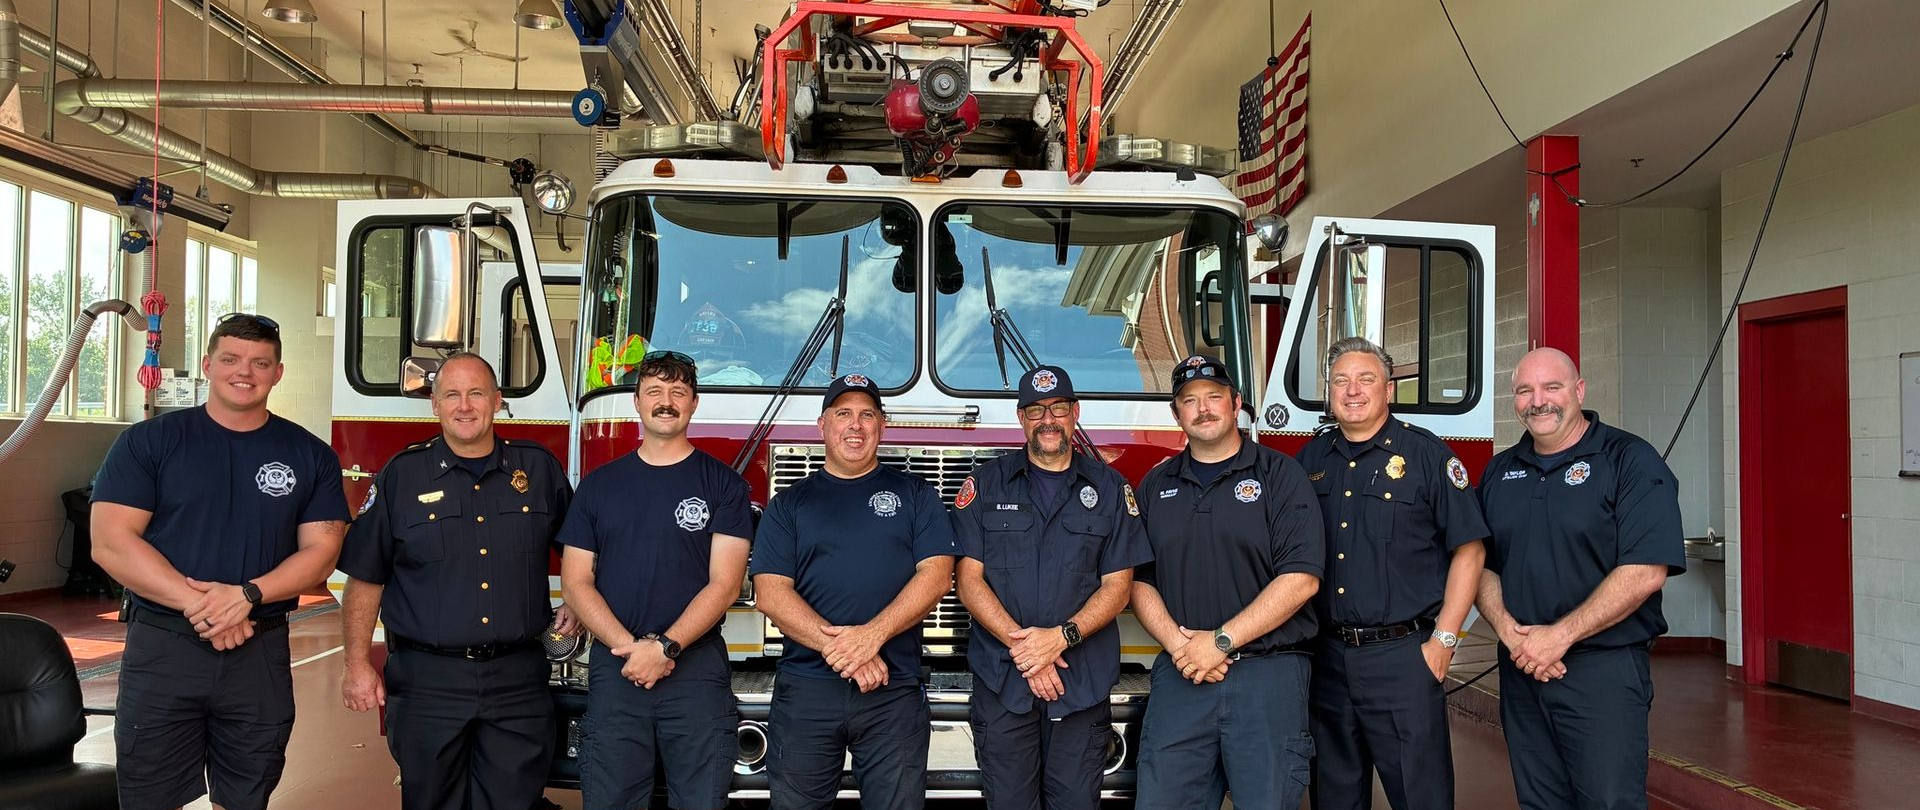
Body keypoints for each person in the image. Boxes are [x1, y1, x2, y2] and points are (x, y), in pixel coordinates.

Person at [90, 312, 349, 810]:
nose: (244, 372)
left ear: (278, 373)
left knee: (247, 793)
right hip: (164, 646)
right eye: (230, 359)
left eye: (260, 363)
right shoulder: (149, 442)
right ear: (208, 365)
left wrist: (247, 596)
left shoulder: (310, 454)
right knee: (150, 794)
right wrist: (208, 608)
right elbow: (112, 542)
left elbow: (321, 553)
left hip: (259, 650)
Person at [335, 352, 575, 810]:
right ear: (435, 404)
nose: (464, 406)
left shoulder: (538, 470)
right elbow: (366, 578)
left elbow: (581, 550)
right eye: (451, 395)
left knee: (515, 802)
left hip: (517, 680)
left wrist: (579, 602)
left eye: (476, 393)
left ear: (498, 401)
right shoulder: (402, 475)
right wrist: (356, 663)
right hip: (428, 681)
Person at [1475, 348, 1686, 810]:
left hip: (1601, 670)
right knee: (1539, 802)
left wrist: (1559, 637)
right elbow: (1481, 563)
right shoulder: (1500, 471)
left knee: (1609, 802)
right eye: (1525, 390)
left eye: (1551, 387)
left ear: (1579, 390)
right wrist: (1510, 634)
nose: (1538, 401)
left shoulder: (1630, 460)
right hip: (1522, 666)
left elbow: (1646, 571)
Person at [749, 372, 959, 810]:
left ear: (882, 426)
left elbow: (937, 576)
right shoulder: (788, 504)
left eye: (867, 415)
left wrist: (871, 637)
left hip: (892, 691)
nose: (855, 425)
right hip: (807, 690)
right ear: (822, 425)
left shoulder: (917, 495)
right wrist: (853, 652)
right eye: (843, 414)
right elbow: (770, 592)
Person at [1295, 337, 1488, 810]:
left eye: (1366, 379)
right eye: (1340, 380)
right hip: (1328, 658)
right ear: (1329, 392)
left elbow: (1470, 550)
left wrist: (1444, 640)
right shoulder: (1310, 460)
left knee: (1420, 796)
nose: (1352, 390)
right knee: (1333, 797)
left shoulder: (1427, 456)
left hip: (1404, 658)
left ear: (1388, 390)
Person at [952, 365, 1153, 810]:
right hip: (1004, 681)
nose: (1048, 420)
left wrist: (1060, 639)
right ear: (1021, 418)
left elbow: (1118, 586)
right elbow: (968, 580)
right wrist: (1027, 650)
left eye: (1058, 408)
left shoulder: (1110, 488)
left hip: (1080, 685)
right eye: (1036, 410)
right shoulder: (985, 485)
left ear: (1075, 413)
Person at [558, 351, 753, 810]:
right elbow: (576, 581)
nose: (666, 402)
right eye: (655, 392)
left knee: (701, 802)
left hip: (695, 671)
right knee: (612, 801)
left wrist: (665, 648)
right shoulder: (599, 486)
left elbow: (725, 584)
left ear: (694, 403)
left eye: (678, 392)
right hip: (617, 669)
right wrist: (631, 650)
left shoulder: (724, 485)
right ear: (637, 402)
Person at [1131, 354, 1324, 810]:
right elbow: (1138, 579)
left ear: (1236, 403)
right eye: (1190, 401)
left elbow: (1301, 578)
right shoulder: (1156, 485)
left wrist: (1220, 642)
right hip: (1182, 675)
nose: (1203, 409)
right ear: (1176, 414)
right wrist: (1181, 647)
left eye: (1214, 397)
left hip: (1267, 675)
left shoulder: (1281, 475)